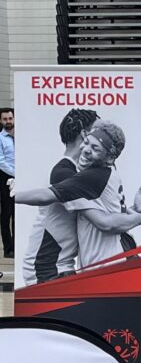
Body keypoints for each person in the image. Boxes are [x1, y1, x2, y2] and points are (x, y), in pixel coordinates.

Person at [12, 119, 141, 272]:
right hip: (116, 256)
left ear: (109, 158)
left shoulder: (92, 177)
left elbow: (45, 195)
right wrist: (135, 210)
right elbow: (109, 215)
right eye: (87, 142)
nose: (86, 149)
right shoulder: (107, 174)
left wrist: (12, 195)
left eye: (95, 148)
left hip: (107, 263)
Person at [16, 109, 98, 284]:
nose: (102, 137)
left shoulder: (76, 171)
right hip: (46, 267)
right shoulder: (63, 172)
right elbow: (101, 220)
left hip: (61, 265)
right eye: (97, 131)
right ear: (85, 134)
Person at [0, 107, 15, 257]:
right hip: (6, 178)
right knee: (6, 214)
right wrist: (17, 173)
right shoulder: (0, 138)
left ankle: (17, 245)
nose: (8, 122)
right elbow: (1, 161)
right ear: (1, 121)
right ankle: (8, 248)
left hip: (22, 178)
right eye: (5, 119)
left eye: (10, 118)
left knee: (19, 213)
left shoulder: (20, 136)